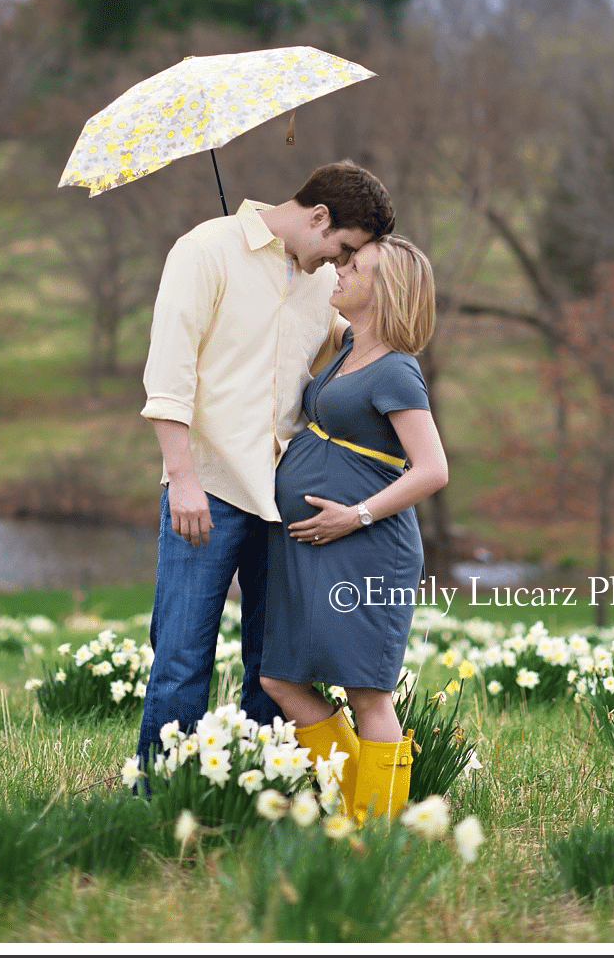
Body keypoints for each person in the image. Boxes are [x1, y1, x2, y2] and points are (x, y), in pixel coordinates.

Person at [134, 160, 396, 779]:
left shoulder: (315, 281)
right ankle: (159, 795)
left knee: (272, 665)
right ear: (319, 217)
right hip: (210, 490)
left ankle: (257, 792)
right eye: (343, 247)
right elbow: (168, 376)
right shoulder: (205, 251)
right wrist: (183, 479)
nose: (340, 263)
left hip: (286, 499)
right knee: (180, 655)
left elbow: (337, 353)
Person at [259, 234, 448, 822]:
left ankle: (377, 827)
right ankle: (354, 805)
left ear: (384, 287)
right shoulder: (348, 348)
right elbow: (302, 305)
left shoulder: (397, 370)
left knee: (368, 691)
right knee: (280, 680)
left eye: (352, 265)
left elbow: (434, 469)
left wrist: (356, 514)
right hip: (315, 546)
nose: (338, 271)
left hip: (368, 548)